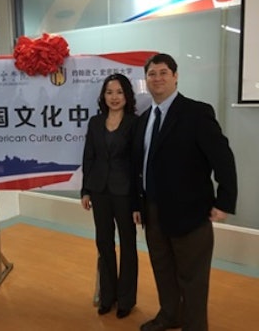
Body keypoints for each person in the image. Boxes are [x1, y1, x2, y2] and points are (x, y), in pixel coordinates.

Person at [132, 53, 237, 331]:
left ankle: (194, 326)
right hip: (153, 210)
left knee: (193, 277)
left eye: (164, 72)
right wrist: (137, 205)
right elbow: (140, 166)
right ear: (146, 79)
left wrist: (225, 200)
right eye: (152, 74)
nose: (157, 79)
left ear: (176, 76)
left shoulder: (197, 112)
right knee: (163, 269)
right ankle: (169, 316)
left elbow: (223, 158)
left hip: (190, 211)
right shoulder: (144, 120)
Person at [81, 73, 138, 319]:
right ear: (103, 96)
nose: (114, 97)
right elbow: (89, 157)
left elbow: (138, 165)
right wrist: (85, 190)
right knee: (104, 244)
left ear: (127, 96)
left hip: (125, 193)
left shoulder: (135, 123)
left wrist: (138, 201)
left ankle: (126, 299)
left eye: (119, 92)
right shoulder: (95, 122)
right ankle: (107, 296)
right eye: (109, 92)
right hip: (99, 191)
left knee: (128, 245)